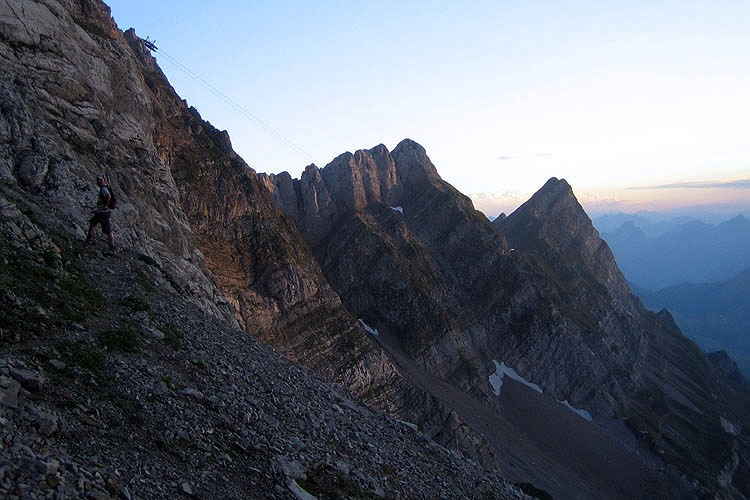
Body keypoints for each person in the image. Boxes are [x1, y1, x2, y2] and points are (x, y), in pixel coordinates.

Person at [85, 173, 116, 253]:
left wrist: (105, 205)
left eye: (100, 180)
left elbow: (108, 196)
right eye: (98, 179)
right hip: (101, 212)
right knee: (92, 222)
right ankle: (88, 240)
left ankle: (112, 248)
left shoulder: (103, 189)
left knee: (108, 230)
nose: (99, 181)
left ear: (103, 180)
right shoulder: (105, 187)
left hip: (104, 213)